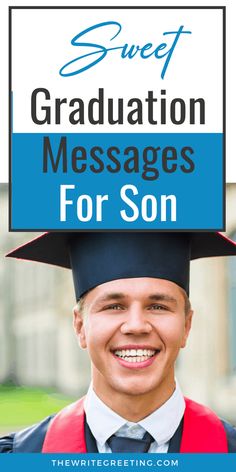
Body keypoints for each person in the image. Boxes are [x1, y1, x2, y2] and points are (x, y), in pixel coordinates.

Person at [0, 231, 236, 453]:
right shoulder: (23, 457)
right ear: (80, 326)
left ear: (186, 326)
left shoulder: (228, 452)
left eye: (157, 306)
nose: (136, 325)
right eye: (113, 306)